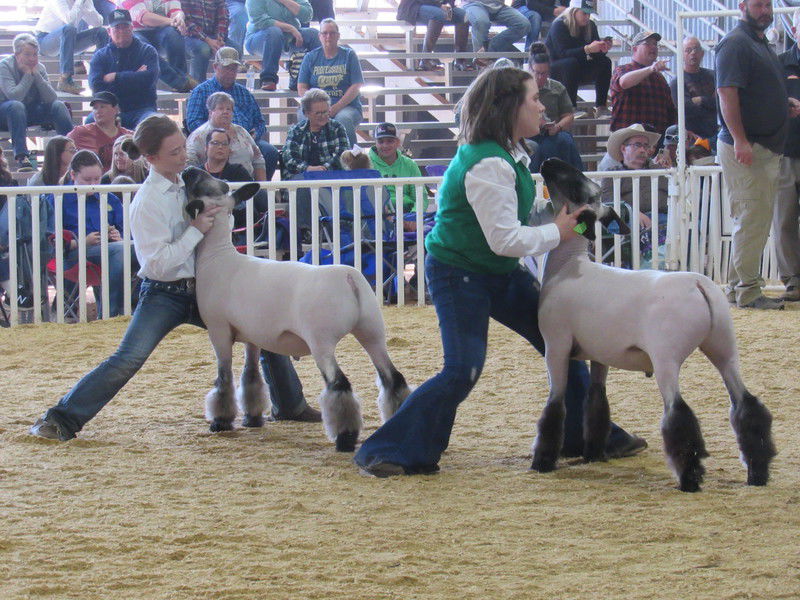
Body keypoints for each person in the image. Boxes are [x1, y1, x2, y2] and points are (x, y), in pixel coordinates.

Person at [353, 67, 646, 477]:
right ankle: (386, 451)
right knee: (462, 369)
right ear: (508, 108)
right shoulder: (489, 164)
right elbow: (505, 239)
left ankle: (584, 436)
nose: (542, 105)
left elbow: (523, 216)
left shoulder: (509, 155)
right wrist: (561, 229)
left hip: (496, 271)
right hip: (460, 272)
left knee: (563, 343)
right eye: (533, 99)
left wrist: (590, 218)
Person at [29, 114, 320, 442]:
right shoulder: (146, 203)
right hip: (163, 293)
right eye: (174, 153)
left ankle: (289, 404)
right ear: (151, 158)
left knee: (262, 326)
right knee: (129, 357)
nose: (183, 156)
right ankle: (60, 419)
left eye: (183, 148)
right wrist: (195, 231)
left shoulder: (189, 181)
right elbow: (158, 264)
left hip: (205, 287)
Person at [716, 0, 800, 310]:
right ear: (742, 6)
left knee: (755, 219)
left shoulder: (759, 43)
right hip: (748, 146)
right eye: (759, 4)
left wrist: (782, 106)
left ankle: (740, 288)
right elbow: (727, 92)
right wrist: (740, 139)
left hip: (762, 146)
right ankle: (748, 291)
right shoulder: (736, 43)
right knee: (752, 219)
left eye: (768, 4)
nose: (765, 10)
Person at [46, 149, 133, 318]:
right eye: (87, 179)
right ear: (73, 175)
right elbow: (51, 240)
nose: (93, 183)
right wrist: (82, 242)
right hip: (73, 255)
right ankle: (112, 313)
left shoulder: (108, 198)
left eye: (97, 179)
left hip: (111, 251)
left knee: (130, 248)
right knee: (121, 251)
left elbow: (128, 230)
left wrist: (120, 236)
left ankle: (125, 309)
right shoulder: (58, 198)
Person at [186, 47, 278, 179]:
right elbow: (193, 122)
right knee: (220, 149)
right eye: (226, 68)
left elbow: (260, 122)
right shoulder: (201, 91)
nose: (230, 72)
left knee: (270, 152)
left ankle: (261, 191)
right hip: (212, 138)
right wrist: (218, 134)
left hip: (244, 137)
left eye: (234, 69)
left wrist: (252, 135)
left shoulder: (244, 93)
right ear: (215, 67)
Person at [0, 34, 74, 172]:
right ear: (17, 54)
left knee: (58, 106)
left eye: (35, 54)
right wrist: (28, 76)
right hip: (6, 113)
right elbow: (14, 96)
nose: (32, 59)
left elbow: (51, 98)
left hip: (30, 111)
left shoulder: (39, 68)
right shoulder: (4, 66)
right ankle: (22, 157)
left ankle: (72, 151)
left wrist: (37, 76)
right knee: (16, 106)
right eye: (27, 54)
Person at [88, 8, 161, 130]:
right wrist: (134, 76)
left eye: (125, 27)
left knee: (152, 123)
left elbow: (148, 80)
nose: (121, 31)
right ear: (109, 31)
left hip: (142, 109)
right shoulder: (100, 56)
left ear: (132, 28)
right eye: (117, 28)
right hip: (111, 109)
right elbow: (97, 87)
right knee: (90, 121)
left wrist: (115, 77)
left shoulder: (147, 51)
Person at [297, 19, 364, 146]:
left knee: (342, 120)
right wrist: (318, 109)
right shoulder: (310, 57)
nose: (328, 36)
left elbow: (356, 85)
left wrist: (335, 108)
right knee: (304, 117)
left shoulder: (349, 55)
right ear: (319, 36)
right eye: (325, 33)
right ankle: (309, 159)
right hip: (316, 106)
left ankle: (351, 161)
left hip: (346, 107)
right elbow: (302, 89)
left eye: (332, 33)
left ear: (338, 36)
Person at [773, 9, 800, 302]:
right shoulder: (779, 63)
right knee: (784, 219)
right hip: (784, 151)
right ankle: (793, 281)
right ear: (794, 30)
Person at [186, 91, 269, 181]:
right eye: (221, 108)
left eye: (228, 109)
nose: (225, 112)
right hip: (213, 188)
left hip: (246, 183)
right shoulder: (198, 136)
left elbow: (258, 160)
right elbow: (189, 166)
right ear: (210, 112)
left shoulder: (241, 132)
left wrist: (261, 188)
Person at [544, 0, 611, 111]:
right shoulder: (559, 25)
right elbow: (562, 54)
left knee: (605, 61)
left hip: (577, 68)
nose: (587, 17)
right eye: (584, 13)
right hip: (557, 69)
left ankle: (601, 106)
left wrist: (602, 49)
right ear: (573, 12)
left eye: (589, 14)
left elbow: (594, 56)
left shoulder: (591, 25)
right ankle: (570, 108)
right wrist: (587, 49)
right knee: (570, 62)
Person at [527, 43, 582, 172]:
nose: (540, 77)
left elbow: (568, 115)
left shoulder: (557, 88)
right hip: (528, 133)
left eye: (544, 73)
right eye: (537, 73)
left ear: (549, 71)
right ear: (530, 69)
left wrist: (557, 127)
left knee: (565, 141)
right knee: (538, 148)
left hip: (552, 132)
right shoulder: (521, 88)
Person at [34, 0, 110, 95]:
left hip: (69, 41)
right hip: (45, 41)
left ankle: (98, 77)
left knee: (101, 32)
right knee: (69, 28)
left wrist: (87, 7)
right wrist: (78, 3)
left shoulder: (83, 2)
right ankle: (65, 79)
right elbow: (69, 20)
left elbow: (98, 22)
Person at [120, 0, 197, 92]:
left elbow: (176, 11)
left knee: (173, 34)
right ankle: (179, 82)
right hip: (134, 31)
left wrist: (179, 19)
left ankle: (182, 77)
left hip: (160, 30)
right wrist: (172, 21)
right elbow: (145, 18)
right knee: (143, 45)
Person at [243, 0, 321, 91]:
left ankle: (316, 78)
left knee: (314, 34)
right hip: (259, 38)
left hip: (289, 37)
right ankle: (268, 79)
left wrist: (285, 1)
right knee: (274, 31)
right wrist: (291, 28)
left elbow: (307, 15)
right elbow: (260, 21)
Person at [609, 30, 676, 135]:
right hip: (628, 140)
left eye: (655, 44)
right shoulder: (623, 69)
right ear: (634, 49)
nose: (653, 47)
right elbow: (623, 82)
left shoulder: (660, 78)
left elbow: (670, 111)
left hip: (656, 140)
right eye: (647, 43)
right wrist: (650, 69)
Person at [281, 88, 349, 178]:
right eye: (318, 113)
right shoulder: (296, 131)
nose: (323, 116)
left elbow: (343, 156)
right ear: (306, 113)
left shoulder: (337, 128)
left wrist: (323, 170)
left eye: (325, 112)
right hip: (301, 177)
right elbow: (289, 159)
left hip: (330, 177)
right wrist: (308, 169)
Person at [396, 0, 472, 71]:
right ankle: (425, 60)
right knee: (438, 15)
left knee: (463, 16)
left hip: (438, 7)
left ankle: (460, 61)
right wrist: (439, 5)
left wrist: (449, 5)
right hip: (414, 6)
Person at [67, 91, 133, 172]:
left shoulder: (128, 136)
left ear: (116, 110)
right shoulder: (79, 133)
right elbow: (61, 148)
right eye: (95, 108)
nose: (98, 111)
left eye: (102, 107)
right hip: (89, 182)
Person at [669, 37, 717, 143]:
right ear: (682, 55)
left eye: (696, 49)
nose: (693, 53)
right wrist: (710, 103)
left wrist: (701, 100)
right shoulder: (677, 82)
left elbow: (720, 103)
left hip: (714, 135)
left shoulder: (713, 76)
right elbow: (686, 108)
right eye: (688, 50)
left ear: (702, 53)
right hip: (691, 138)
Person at [368, 122, 423, 214]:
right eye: (381, 141)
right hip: (375, 215)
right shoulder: (366, 164)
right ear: (375, 143)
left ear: (398, 142)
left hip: (407, 215)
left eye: (390, 141)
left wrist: (413, 217)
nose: (385, 145)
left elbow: (421, 196)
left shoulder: (410, 164)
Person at [181, 0, 234, 82]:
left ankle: (224, 87)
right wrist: (208, 40)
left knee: (234, 49)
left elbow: (223, 17)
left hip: (214, 36)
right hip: (189, 35)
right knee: (203, 49)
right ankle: (198, 87)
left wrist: (219, 38)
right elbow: (186, 22)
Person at [462, 0, 530, 58]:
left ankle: (486, 50)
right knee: (481, 22)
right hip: (473, 3)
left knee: (524, 24)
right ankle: (481, 61)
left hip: (499, 5)